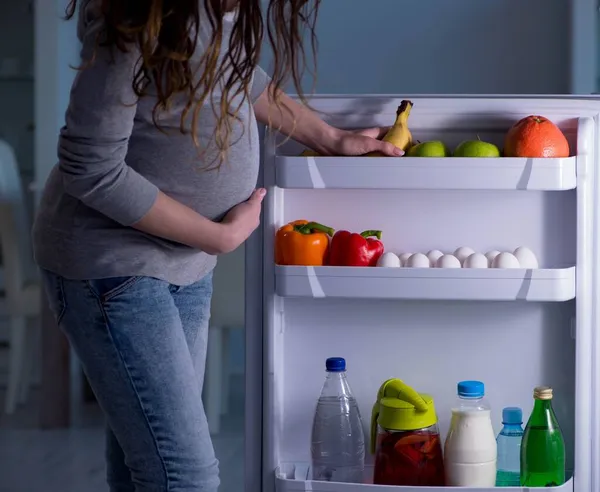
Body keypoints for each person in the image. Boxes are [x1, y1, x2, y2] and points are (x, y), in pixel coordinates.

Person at [32, 0, 403, 490]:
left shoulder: (216, 9)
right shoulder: (132, 21)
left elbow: (239, 78)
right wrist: (219, 236)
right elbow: (89, 168)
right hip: (114, 266)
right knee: (185, 475)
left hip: (184, 266)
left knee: (142, 465)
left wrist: (333, 138)